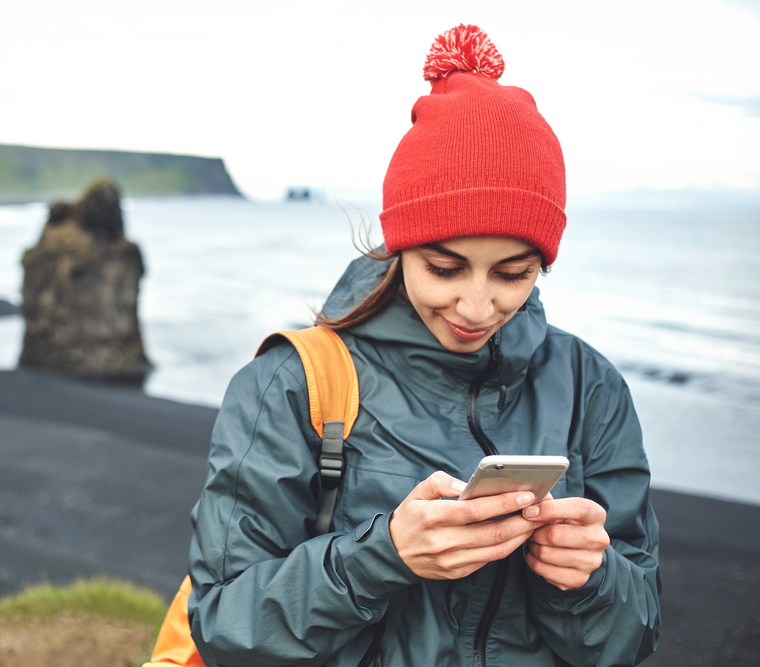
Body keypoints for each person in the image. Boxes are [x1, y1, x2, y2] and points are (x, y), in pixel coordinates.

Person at [186, 24, 661, 667]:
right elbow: (221, 629)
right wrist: (382, 558)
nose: (476, 308)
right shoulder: (292, 382)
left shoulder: (590, 386)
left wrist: (588, 581)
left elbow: (634, 638)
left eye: (513, 273)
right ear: (401, 245)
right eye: (444, 268)